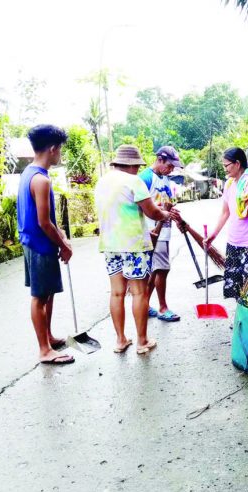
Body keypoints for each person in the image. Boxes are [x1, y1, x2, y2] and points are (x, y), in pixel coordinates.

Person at [95, 145, 179, 354]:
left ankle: (121, 340)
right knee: (139, 292)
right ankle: (142, 341)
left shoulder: (102, 182)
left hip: (110, 245)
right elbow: (152, 212)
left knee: (116, 293)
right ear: (132, 165)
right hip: (134, 245)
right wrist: (166, 215)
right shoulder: (134, 181)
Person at [16, 124, 74, 365]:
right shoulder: (41, 180)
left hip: (33, 243)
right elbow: (43, 222)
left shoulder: (29, 173)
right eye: (59, 149)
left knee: (47, 294)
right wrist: (64, 244)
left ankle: (47, 337)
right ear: (52, 148)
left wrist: (59, 234)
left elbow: (47, 219)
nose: (60, 154)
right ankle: (44, 350)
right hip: (41, 245)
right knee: (40, 297)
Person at [206, 147, 248, 300]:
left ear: (237, 163)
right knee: (235, 285)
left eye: (226, 165)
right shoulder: (229, 185)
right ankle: (242, 318)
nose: (224, 169)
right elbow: (225, 213)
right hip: (233, 243)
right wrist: (212, 236)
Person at [139, 146, 184, 322]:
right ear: (160, 159)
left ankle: (144, 304)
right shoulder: (145, 178)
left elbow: (165, 201)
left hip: (164, 229)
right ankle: (163, 307)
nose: (172, 169)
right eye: (170, 165)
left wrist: (171, 210)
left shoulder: (164, 178)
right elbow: (139, 205)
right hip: (152, 230)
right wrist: (161, 210)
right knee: (161, 269)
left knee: (155, 269)